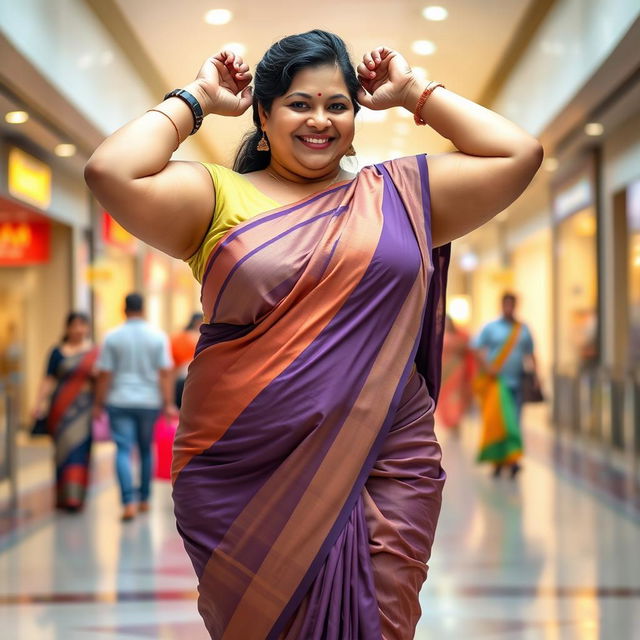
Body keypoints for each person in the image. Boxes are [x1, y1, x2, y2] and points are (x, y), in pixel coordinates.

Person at [84, 29, 542, 639]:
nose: (320, 121)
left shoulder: (399, 194)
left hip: (384, 459)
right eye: (300, 104)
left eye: (338, 105)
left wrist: (414, 93)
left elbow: (519, 154)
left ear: (356, 115)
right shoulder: (218, 196)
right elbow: (109, 170)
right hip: (241, 466)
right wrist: (196, 97)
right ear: (264, 114)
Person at [93, 293, 175, 521]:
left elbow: (104, 374)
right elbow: (165, 373)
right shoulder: (157, 337)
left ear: (124, 309)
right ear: (143, 309)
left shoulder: (112, 337)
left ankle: (128, 502)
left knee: (123, 450)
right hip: (149, 402)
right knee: (147, 449)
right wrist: (168, 403)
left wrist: (98, 403)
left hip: (119, 400)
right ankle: (144, 499)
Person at [32, 312, 97, 512]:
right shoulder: (57, 352)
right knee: (62, 452)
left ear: (87, 328)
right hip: (60, 409)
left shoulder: (94, 352)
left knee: (79, 450)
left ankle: (76, 497)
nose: (78, 329)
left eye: (82, 325)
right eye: (74, 325)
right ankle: (62, 495)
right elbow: (48, 379)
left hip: (84, 410)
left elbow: (102, 380)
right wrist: (38, 403)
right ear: (67, 328)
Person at [472, 292, 540, 479]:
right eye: (506, 304)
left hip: (517, 382)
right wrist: (488, 367)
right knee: (499, 422)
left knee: (514, 423)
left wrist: (536, 376)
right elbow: (476, 348)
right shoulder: (491, 328)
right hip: (496, 383)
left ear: (516, 306)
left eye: (512, 305)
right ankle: (498, 462)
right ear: (501, 305)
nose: (509, 308)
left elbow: (531, 353)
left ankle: (513, 460)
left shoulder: (523, 329)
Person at [436, 315, 474, 434]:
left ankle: (455, 421)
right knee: (444, 399)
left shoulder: (461, 337)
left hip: (456, 373)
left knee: (456, 399)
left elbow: (468, 350)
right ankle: (449, 421)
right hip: (443, 374)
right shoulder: (437, 336)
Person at [170, 312, 203, 408]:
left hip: (180, 379)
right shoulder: (205, 338)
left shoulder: (178, 338)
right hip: (197, 381)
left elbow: (171, 365)